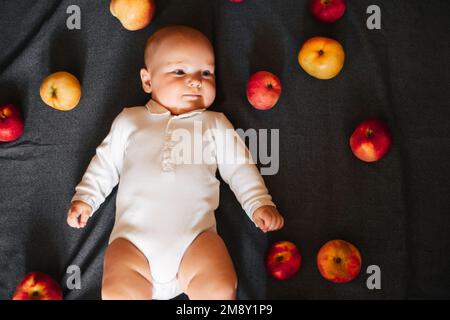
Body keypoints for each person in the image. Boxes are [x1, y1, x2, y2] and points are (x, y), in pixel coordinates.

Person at [66, 25, 284, 300]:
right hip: (133, 246)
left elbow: (239, 167)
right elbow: (106, 163)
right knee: (118, 289)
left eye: (206, 72)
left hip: (195, 242)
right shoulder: (130, 120)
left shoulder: (213, 124)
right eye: (180, 71)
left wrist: (259, 203)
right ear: (147, 81)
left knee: (218, 286)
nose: (195, 81)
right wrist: (86, 197)